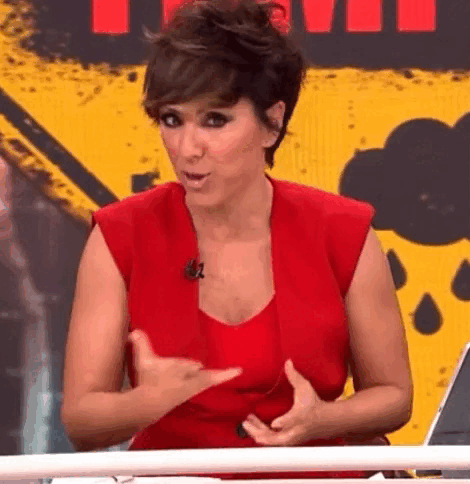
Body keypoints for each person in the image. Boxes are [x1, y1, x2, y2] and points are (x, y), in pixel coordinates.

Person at [61, 0, 413, 479]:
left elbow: (394, 396)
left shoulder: (342, 230)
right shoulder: (120, 235)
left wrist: (323, 420)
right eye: (172, 119)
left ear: (272, 122)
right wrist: (148, 401)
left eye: (215, 120)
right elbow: (81, 422)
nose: (188, 149)